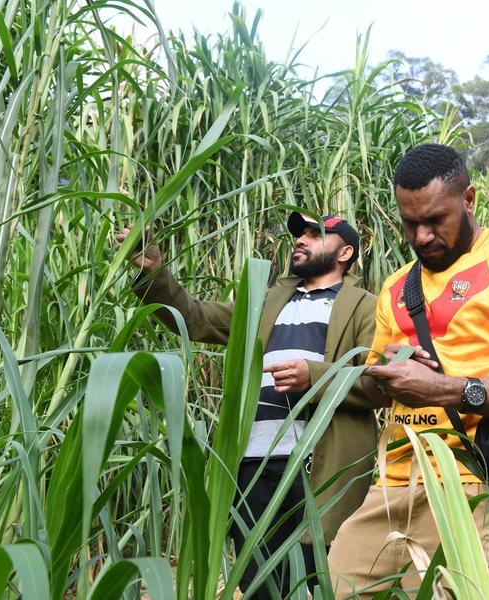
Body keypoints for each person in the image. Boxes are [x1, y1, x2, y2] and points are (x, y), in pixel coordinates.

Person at [327, 143, 489, 599]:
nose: (422, 236)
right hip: (393, 484)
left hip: (473, 482)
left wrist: (446, 389)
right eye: (410, 223)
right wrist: (389, 370)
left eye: (435, 220)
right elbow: (372, 386)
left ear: (469, 200)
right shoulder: (396, 287)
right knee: (335, 587)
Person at [116, 211, 377, 598]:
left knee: (315, 583)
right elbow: (197, 318)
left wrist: (315, 376)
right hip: (253, 464)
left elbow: (376, 381)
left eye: (315, 234)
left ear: (346, 252)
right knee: (257, 582)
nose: (301, 240)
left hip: (318, 469)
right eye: (299, 234)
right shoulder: (267, 299)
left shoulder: (365, 306)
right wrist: (155, 273)